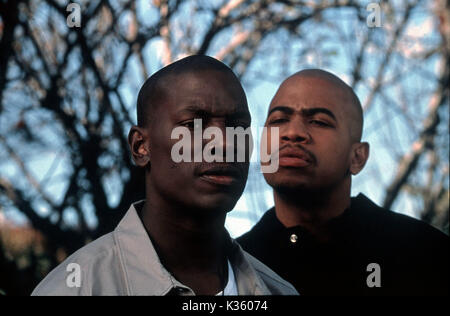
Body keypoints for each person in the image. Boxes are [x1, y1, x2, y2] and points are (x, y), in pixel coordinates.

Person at [32, 55, 298, 296]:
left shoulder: (277, 290)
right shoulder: (77, 288)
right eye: (193, 125)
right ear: (140, 147)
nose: (225, 143)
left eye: (238, 126)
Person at [237, 69, 449, 295]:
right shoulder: (231, 266)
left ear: (358, 157)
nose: (293, 132)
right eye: (278, 120)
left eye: (319, 121)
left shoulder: (424, 253)